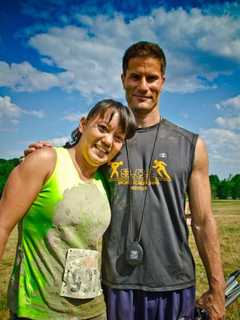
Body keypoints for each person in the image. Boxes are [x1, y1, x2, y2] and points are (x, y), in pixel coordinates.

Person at [24, 42, 225, 320]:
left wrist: (217, 288)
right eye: (135, 77)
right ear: (123, 79)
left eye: (151, 77)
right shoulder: (106, 144)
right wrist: (42, 155)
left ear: (163, 82)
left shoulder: (191, 144)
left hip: (174, 283)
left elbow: (203, 221)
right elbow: (66, 163)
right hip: (114, 285)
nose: (143, 86)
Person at [0, 99, 136, 320]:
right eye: (102, 128)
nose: (108, 141)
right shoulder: (46, 161)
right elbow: (2, 226)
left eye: (118, 138)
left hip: (92, 311)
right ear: (83, 125)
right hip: (38, 311)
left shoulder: (105, 180)